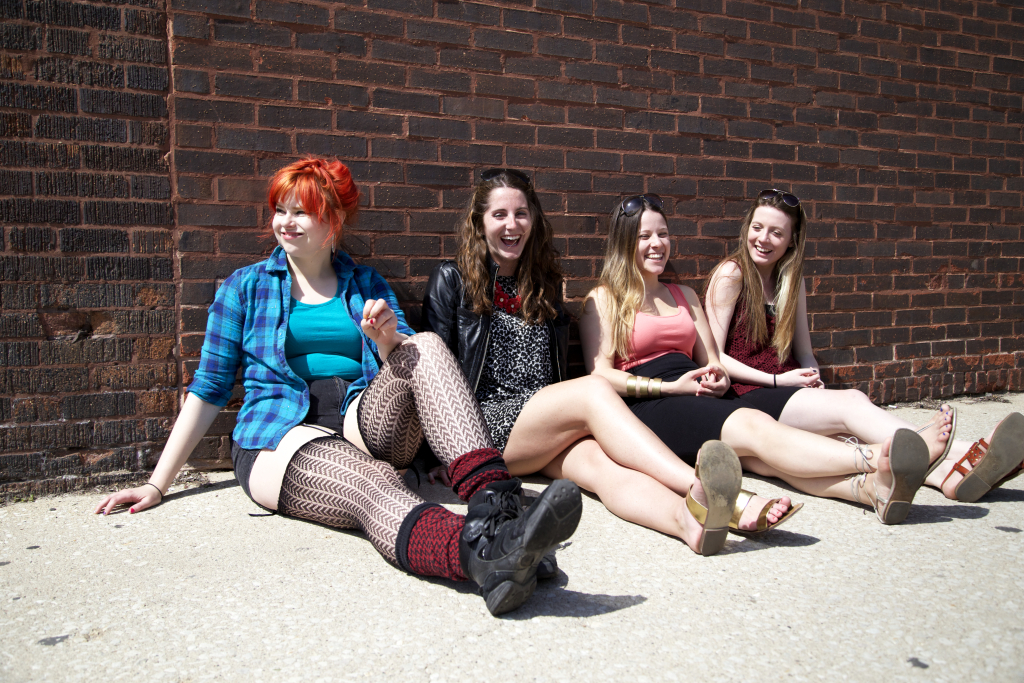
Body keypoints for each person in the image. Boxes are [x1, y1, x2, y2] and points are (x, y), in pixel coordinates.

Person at [94, 157, 583, 617]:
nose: (286, 222)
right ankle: (484, 555)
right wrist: (158, 483)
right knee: (377, 484)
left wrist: (388, 338)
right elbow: (209, 387)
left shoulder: (364, 283)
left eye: (301, 212)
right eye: (280, 211)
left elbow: (414, 372)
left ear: (332, 222)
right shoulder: (244, 287)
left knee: (427, 346)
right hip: (280, 434)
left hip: (357, 415)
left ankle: (495, 510)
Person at [422, 168, 792, 557]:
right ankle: (712, 492)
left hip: (540, 426)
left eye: (521, 214)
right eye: (499, 215)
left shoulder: (543, 284)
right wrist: (441, 455)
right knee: (594, 389)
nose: (512, 225)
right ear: (479, 223)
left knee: (602, 468)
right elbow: (433, 377)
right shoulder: (452, 279)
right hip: (481, 428)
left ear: (533, 220)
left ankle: (687, 523)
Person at [581, 193, 939, 524]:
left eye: (663, 234)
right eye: (645, 236)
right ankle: (879, 457)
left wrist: (717, 376)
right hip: (648, 403)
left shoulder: (684, 294)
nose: (657, 244)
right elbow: (599, 375)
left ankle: (866, 490)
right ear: (625, 241)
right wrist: (669, 386)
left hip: (693, 392)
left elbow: (712, 358)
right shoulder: (604, 298)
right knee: (756, 427)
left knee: (759, 458)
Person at [704, 189, 1024, 503]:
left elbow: (803, 351)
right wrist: (779, 380)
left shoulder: (791, 280)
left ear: (792, 241)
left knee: (849, 440)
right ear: (747, 228)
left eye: (776, 232)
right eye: (757, 228)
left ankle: (947, 479)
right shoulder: (732, 274)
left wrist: (812, 375)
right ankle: (967, 450)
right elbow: (712, 356)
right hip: (748, 394)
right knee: (852, 403)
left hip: (788, 390)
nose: (763, 239)